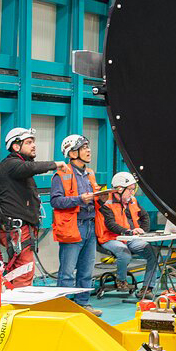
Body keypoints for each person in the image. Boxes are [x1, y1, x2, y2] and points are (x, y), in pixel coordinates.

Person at [0, 127, 58, 287]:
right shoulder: (11, 165)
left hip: (19, 229)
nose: (33, 145)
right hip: (17, 230)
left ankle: (14, 303)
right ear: (16, 146)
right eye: (28, 142)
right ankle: (21, 307)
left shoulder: (18, 168)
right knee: (24, 270)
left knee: (18, 269)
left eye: (33, 142)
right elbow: (30, 168)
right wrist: (55, 164)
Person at [50, 134, 107, 316]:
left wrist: (102, 197)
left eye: (88, 147)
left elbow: (95, 196)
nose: (89, 150)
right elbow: (56, 201)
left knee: (86, 270)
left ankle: (84, 304)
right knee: (67, 272)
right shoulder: (62, 175)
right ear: (72, 153)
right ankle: (64, 307)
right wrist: (79, 200)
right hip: (74, 226)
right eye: (84, 148)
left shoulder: (89, 173)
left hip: (90, 225)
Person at [99, 172, 159, 296]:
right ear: (119, 189)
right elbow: (110, 224)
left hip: (129, 238)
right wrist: (129, 232)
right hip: (110, 238)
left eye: (133, 189)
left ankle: (147, 288)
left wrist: (143, 232)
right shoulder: (107, 203)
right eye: (130, 189)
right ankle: (121, 280)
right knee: (123, 252)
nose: (132, 192)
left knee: (153, 252)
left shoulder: (132, 201)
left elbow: (144, 216)